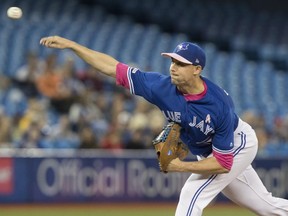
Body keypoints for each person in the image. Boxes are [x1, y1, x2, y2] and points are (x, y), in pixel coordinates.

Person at [40, 36, 288, 216]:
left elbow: (223, 164)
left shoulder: (218, 104)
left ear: (197, 69)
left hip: (237, 144)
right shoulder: (160, 87)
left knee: (192, 194)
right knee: (265, 206)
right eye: (172, 61)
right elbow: (112, 67)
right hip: (209, 152)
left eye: (180, 63)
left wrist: (180, 166)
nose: (173, 67)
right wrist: (73, 46)